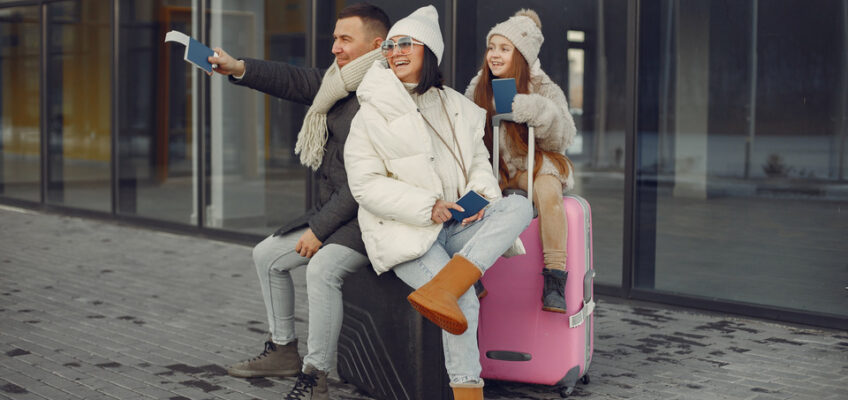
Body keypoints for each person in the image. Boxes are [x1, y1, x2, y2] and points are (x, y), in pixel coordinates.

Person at [344, 6, 533, 399]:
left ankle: (445, 285)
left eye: (405, 43)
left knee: (518, 205)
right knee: (464, 300)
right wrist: (425, 205)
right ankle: (467, 391)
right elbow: (364, 185)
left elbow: (479, 162)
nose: (395, 51)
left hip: (458, 225)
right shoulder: (370, 113)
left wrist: (478, 198)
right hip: (406, 233)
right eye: (391, 45)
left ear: (428, 51)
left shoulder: (458, 108)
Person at [207, 4, 389, 400]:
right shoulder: (339, 82)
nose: (335, 48)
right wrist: (238, 68)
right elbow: (294, 80)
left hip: (372, 219)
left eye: (346, 40)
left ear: (377, 44)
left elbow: (365, 186)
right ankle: (284, 349)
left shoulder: (383, 95)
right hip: (336, 212)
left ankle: (315, 373)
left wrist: (318, 232)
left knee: (321, 269)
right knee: (265, 255)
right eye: (335, 39)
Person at [465, 9, 577, 313]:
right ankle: (466, 271)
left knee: (549, 194)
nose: (495, 55)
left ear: (522, 55)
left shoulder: (544, 88)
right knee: (466, 198)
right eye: (491, 47)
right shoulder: (479, 87)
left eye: (504, 49)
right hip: (496, 170)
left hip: (536, 166)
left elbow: (564, 136)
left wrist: (537, 111)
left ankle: (555, 277)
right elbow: (466, 137)